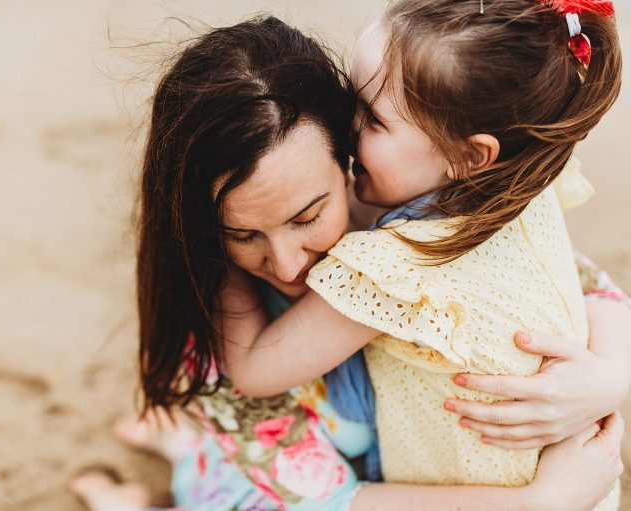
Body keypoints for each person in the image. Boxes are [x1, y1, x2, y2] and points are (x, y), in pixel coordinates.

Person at [72, 14, 628, 511]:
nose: (288, 266)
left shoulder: (428, 215)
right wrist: (541, 503)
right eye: (241, 234)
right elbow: (321, 497)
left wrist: (609, 377)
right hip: (299, 480)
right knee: (232, 481)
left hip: (370, 462)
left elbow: (585, 283)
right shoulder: (227, 332)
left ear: (343, 155)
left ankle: (185, 444)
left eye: (309, 216)